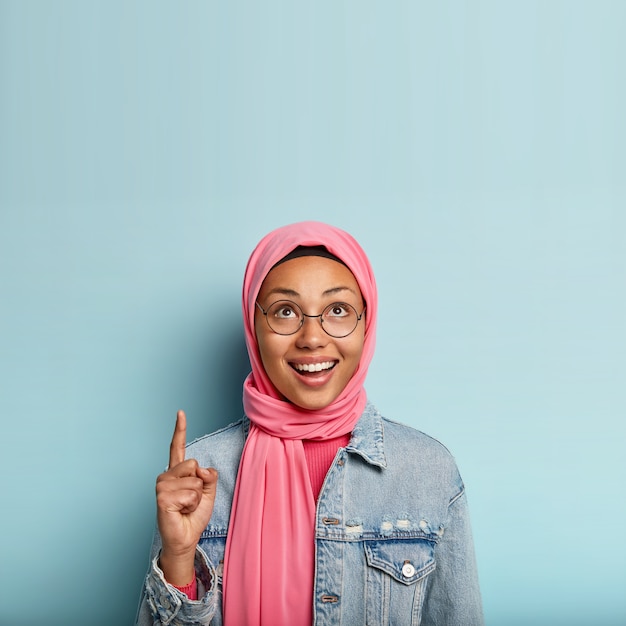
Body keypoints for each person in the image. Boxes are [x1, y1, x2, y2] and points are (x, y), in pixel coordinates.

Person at [135, 221, 483, 626]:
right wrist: (177, 559)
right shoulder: (198, 474)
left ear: (366, 323)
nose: (312, 338)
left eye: (338, 310)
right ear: (255, 328)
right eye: (285, 312)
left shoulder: (427, 470)